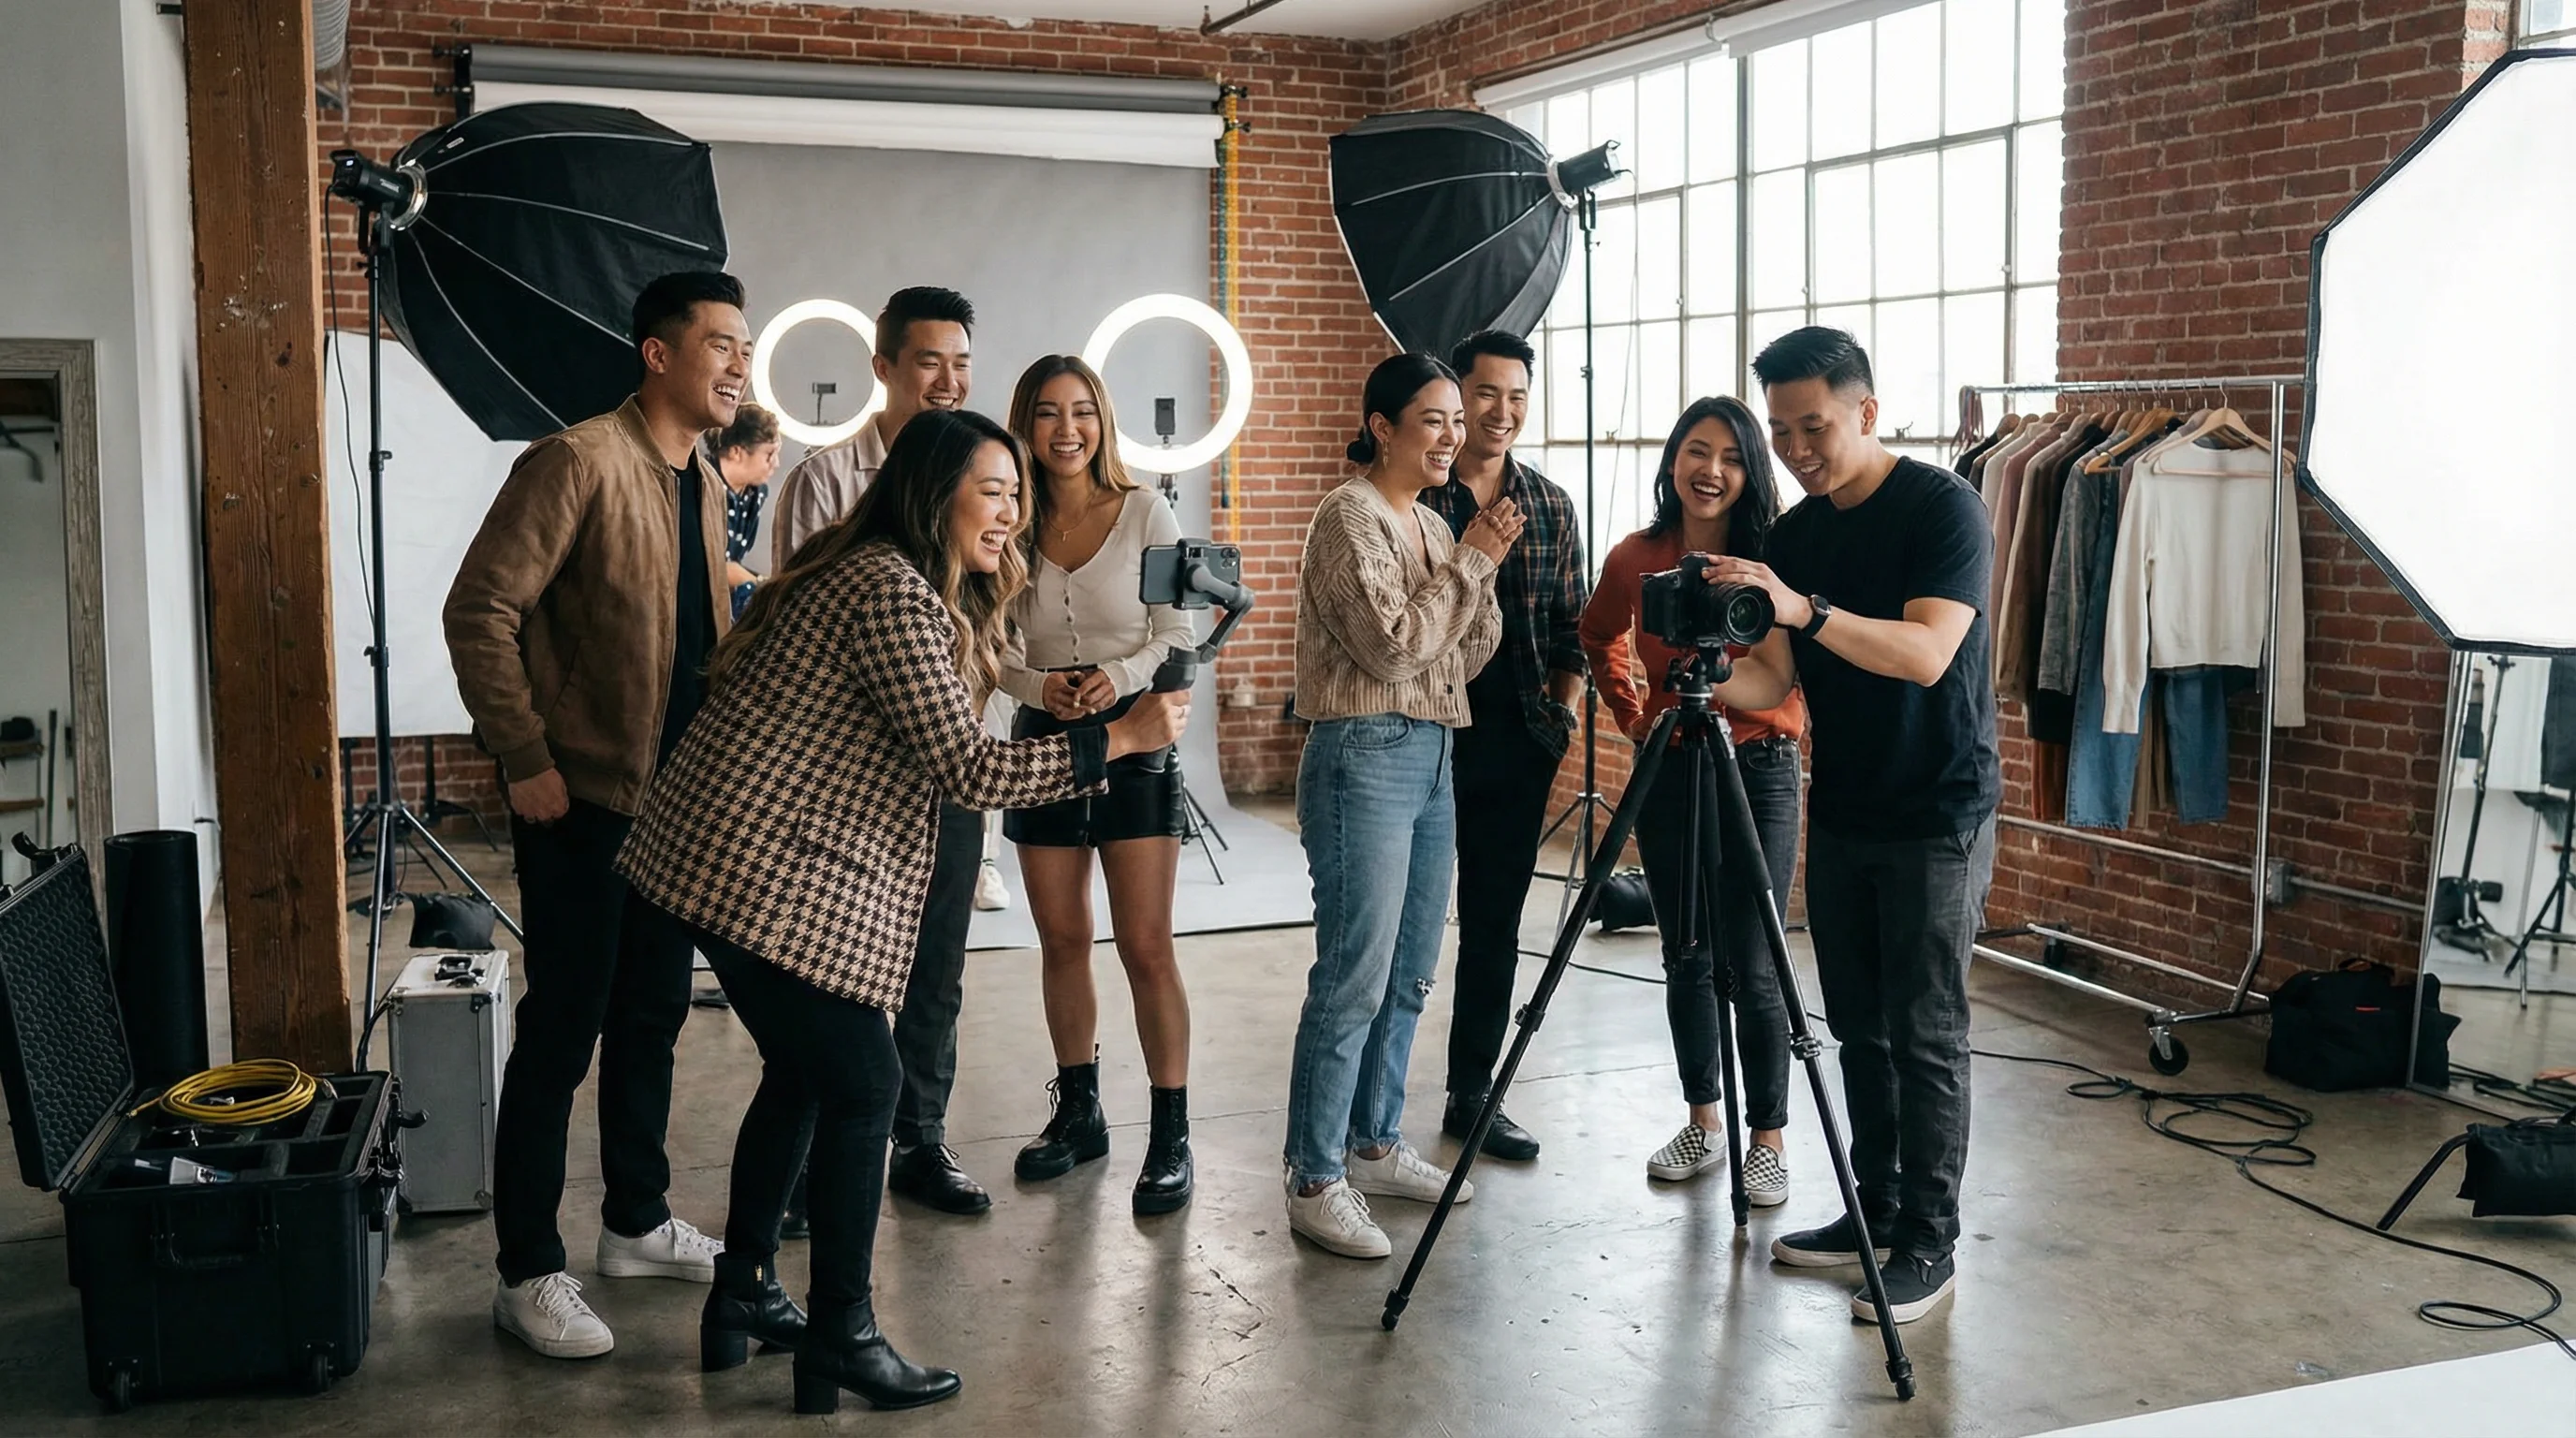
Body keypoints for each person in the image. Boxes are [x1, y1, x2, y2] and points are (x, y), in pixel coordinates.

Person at [618, 407, 1192, 1414]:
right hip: (753, 866)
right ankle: (841, 1329)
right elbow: (968, 769)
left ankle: (744, 1293)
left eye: (1017, 494)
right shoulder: (891, 590)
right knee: (863, 1082)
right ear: (936, 496)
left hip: (735, 858)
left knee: (807, 1073)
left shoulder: (896, 578)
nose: (1011, 513)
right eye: (993, 490)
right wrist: (1122, 739)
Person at [443, 270, 745, 1359]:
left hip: (675, 805)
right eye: (719, 345)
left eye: (742, 347)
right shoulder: (576, 460)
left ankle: (634, 1220)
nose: (737, 365)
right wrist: (522, 755)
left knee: (654, 1014)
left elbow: (702, 637)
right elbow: (480, 608)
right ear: (657, 353)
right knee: (563, 1029)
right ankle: (525, 1269)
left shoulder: (704, 477)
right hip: (580, 799)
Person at [1705, 327, 2001, 1327]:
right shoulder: (1796, 537)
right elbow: (1777, 676)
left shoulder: (1941, 509)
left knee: (1925, 1034)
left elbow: (1924, 653)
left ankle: (1930, 1242)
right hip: (1844, 807)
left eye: (1814, 426)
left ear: (1867, 412)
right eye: (1781, 431)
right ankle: (1874, 1212)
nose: (1795, 449)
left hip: (1936, 808)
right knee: (1857, 1031)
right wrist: (1705, 674)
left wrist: (1804, 607)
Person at [1283, 353, 1520, 1260]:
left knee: (1413, 970)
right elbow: (1391, 650)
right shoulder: (1348, 517)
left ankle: (1375, 1142)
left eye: (1458, 421)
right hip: (1363, 753)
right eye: (1434, 419)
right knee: (1353, 974)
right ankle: (1314, 1175)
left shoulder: (1429, 520)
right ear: (1381, 426)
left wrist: (1471, 568)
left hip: (1431, 752)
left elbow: (1466, 652)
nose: (1454, 436)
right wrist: (1470, 566)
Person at [768, 286, 998, 1214]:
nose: (947, 381)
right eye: (928, 362)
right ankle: (810, 1160)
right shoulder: (826, 479)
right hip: (849, 784)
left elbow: (994, 624)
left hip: (952, 767)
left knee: (936, 967)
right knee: (830, 973)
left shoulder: (980, 475)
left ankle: (921, 1142)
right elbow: (792, 621)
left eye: (961, 364)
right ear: (884, 368)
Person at [1580, 396, 1808, 1203]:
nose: (1711, 471)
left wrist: (1701, 675)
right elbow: (1597, 630)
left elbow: (1777, 676)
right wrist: (1631, 709)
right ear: (1673, 458)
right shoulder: (1636, 557)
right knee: (1687, 952)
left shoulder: (1771, 559)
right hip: (1674, 761)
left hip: (1760, 763)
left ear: (1751, 474)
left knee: (1757, 958)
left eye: (1733, 457)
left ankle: (1769, 1141)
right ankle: (1704, 1120)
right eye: (1697, 451)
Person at [996, 356, 1199, 1213]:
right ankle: (1080, 1113)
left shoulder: (1148, 508)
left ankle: (1170, 1135)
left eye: (1082, 411)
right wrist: (1041, 686)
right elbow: (985, 644)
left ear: (1102, 421)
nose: (1066, 429)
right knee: (1064, 939)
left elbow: (1176, 628)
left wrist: (1116, 680)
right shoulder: (1002, 519)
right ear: (1026, 424)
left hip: (1137, 742)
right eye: (1047, 413)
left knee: (1146, 946)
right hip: (1041, 740)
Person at [1420, 330, 1588, 1163]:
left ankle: (1472, 1094)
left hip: (1516, 745)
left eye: (1518, 397)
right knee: (1402, 930)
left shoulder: (1552, 505)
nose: (1503, 412)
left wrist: (1557, 719)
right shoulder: (1416, 500)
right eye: (1488, 394)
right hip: (1419, 737)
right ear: (1457, 397)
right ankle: (1369, 1105)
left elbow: (1574, 631)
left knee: (1493, 927)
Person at [715, 402, 782, 621]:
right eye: (769, 454)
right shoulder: (704, 486)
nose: (776, 463)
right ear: (736, 452)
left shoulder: (756, 493)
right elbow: (718, 567)